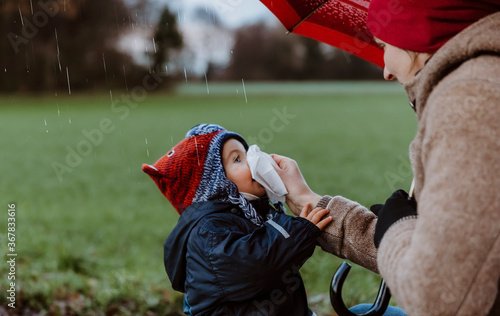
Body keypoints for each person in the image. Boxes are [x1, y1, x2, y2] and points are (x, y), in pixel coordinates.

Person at [271, 1, 500, 315]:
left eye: (384, 46)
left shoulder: (469, 102)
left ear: (417, 36)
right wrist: (312, 202)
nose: (386, 70)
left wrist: (398, 227)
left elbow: (439, 297)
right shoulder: (478, 84)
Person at [142, 124, 332, 315]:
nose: (251, 160)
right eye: (238, 159)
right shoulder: (208, 230)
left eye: (246, 152)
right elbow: (256, 267)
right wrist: (300, 232)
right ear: (216, 183)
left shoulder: (252, 212)